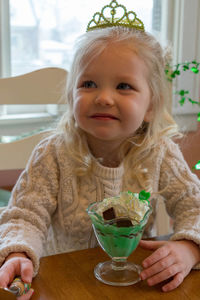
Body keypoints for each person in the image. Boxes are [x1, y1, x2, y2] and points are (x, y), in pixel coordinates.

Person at [0, 0, 200, 298]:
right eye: (89, 83)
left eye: (123, 86)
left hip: (134, 283)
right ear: (71, 97)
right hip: (61, 281)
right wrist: (19, 254)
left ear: (151, 105)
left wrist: (189, 249)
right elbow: (24, 216)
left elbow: (194, 206)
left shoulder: (160, 154)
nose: (104, 98)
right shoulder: (52, 154)